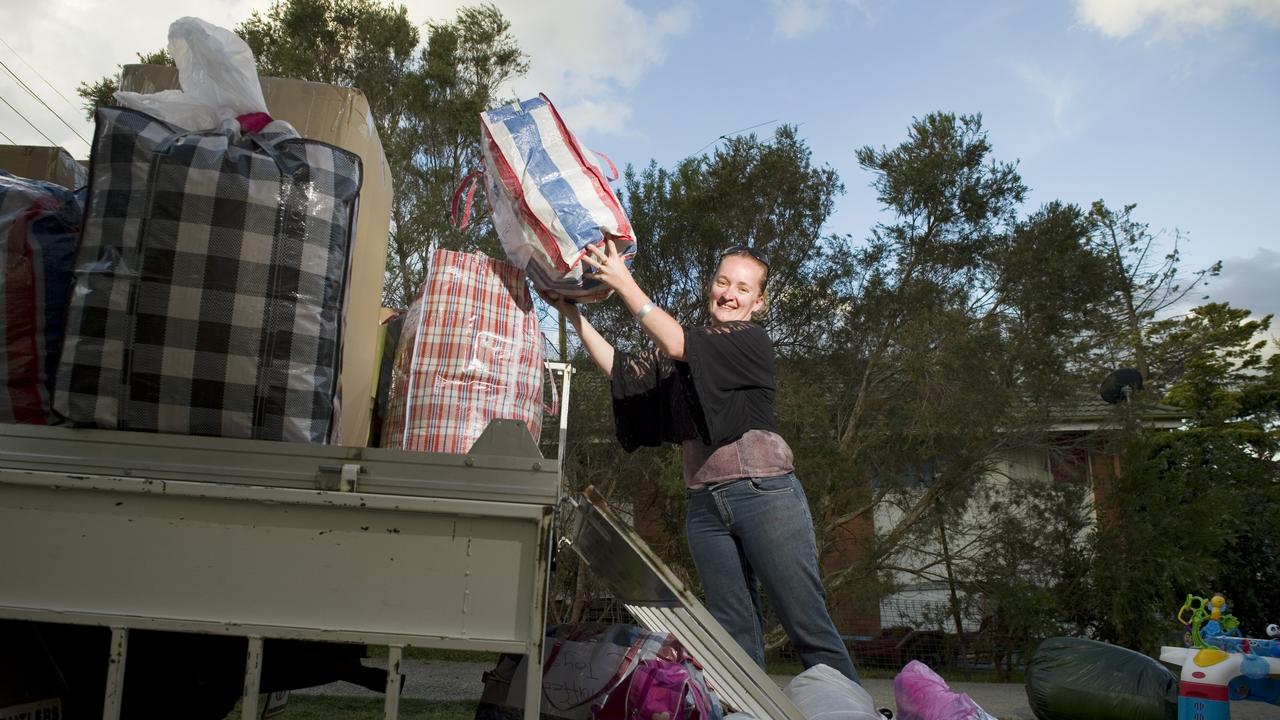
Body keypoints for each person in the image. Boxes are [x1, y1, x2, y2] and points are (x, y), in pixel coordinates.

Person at [543, 239, 859, 682]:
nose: (729, 294)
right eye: (723, 282)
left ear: (758, 302)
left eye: (743, 289)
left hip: (764, 495)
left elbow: (674, 341)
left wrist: (624, 281)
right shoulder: (692, 347)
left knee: (807, 625)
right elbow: (625, 371)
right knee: (733, 637)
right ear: (711, 286)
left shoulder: (749, 341)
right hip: (705, 506)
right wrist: (573, 315)